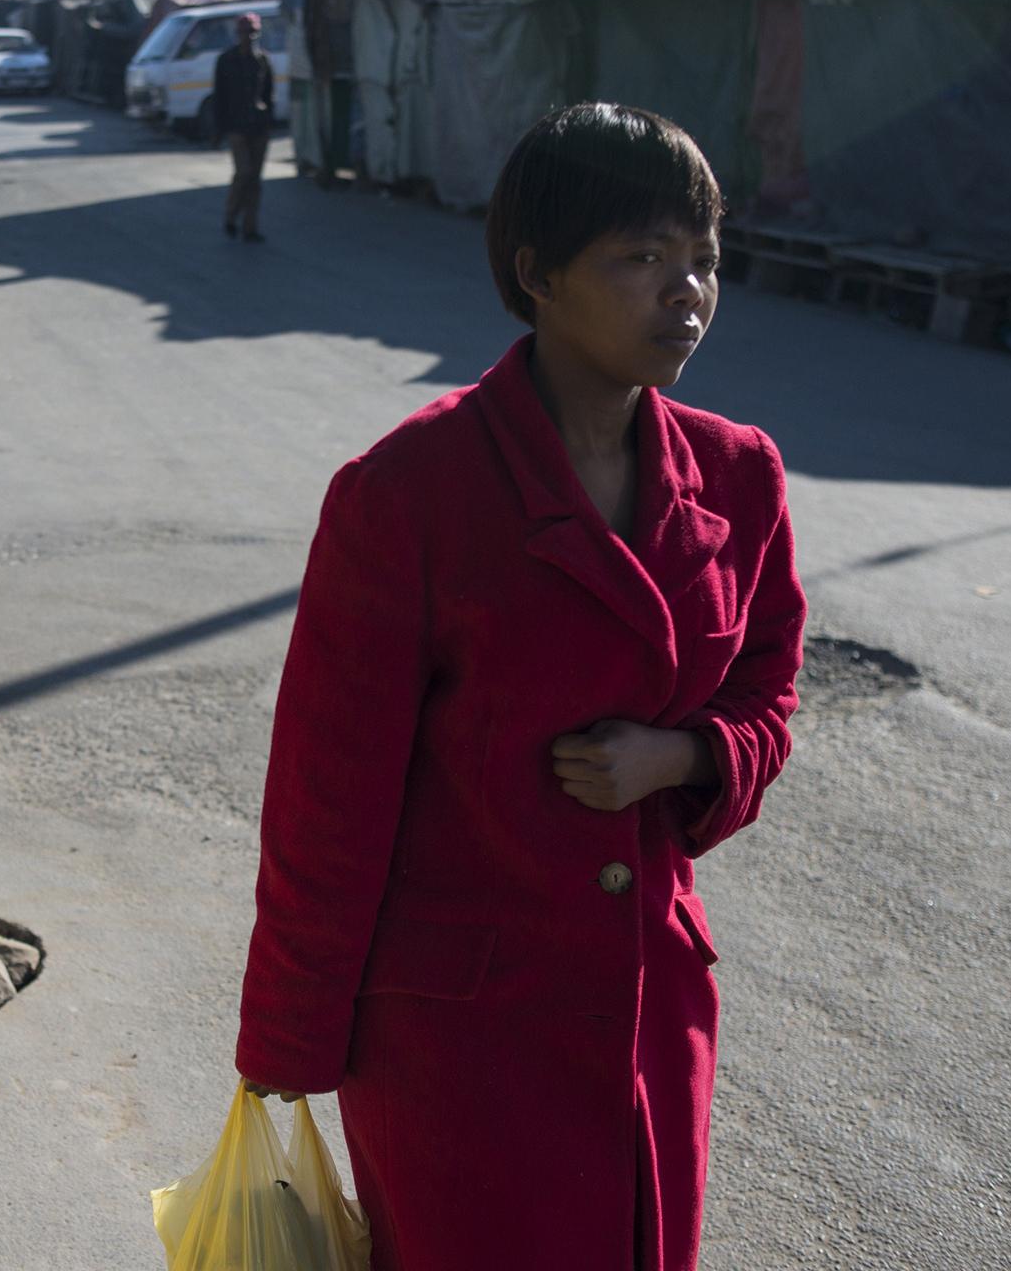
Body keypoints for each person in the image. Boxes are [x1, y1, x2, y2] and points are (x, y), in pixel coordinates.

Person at [235, 104, 806, 1271]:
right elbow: (326, 797)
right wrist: (286, 1048)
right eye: (641, 258)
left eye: (701, 258)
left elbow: (767, 692)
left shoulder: (738, 476)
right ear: (534, 273)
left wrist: (684, 756)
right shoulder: (408, 496)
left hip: (648, 1012)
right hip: (454, 1045)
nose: (685, 292)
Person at [212, 12, 276, 242]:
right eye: (244, 33)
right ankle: (231, 217)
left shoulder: (263, 61)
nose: (248, 37)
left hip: (258, 127)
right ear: (237, 34)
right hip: (237, 126)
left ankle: (250, 227)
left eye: (252, 33)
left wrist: (268, 121)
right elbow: (220, 97)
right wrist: (219, 130)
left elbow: (269, 95)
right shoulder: (226, 60)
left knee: (255, 179)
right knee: (243, 173)